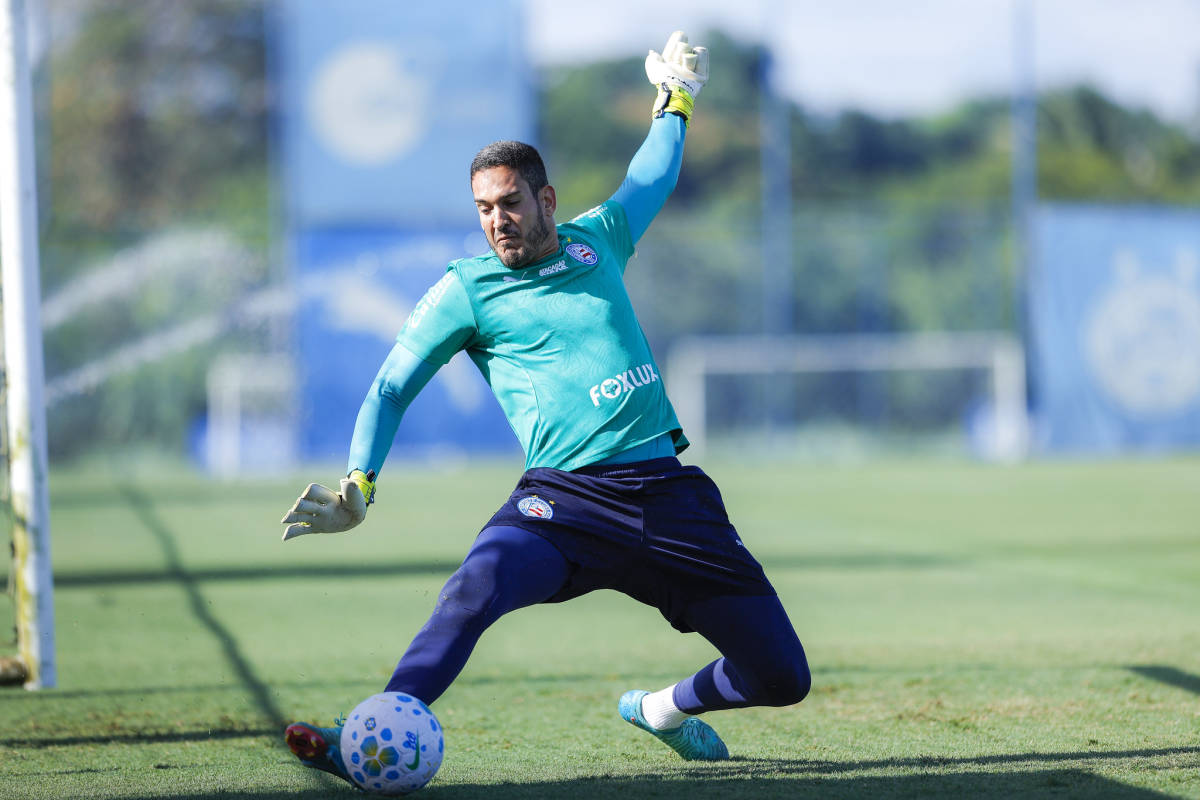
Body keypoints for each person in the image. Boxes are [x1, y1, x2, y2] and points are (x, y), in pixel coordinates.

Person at [280, 31, 810, 785]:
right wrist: (359, 484)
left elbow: (650, 177)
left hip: (668, 498)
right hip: (565, 502)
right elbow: (390, 388)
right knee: (477, 583)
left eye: (509, 202)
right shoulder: (467, 288)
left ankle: (661, 709)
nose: (496, 220)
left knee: (782, 676)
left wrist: (677, 100)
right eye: (483, 208)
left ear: (546, 199)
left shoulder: (598, 240)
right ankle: (369, 733)